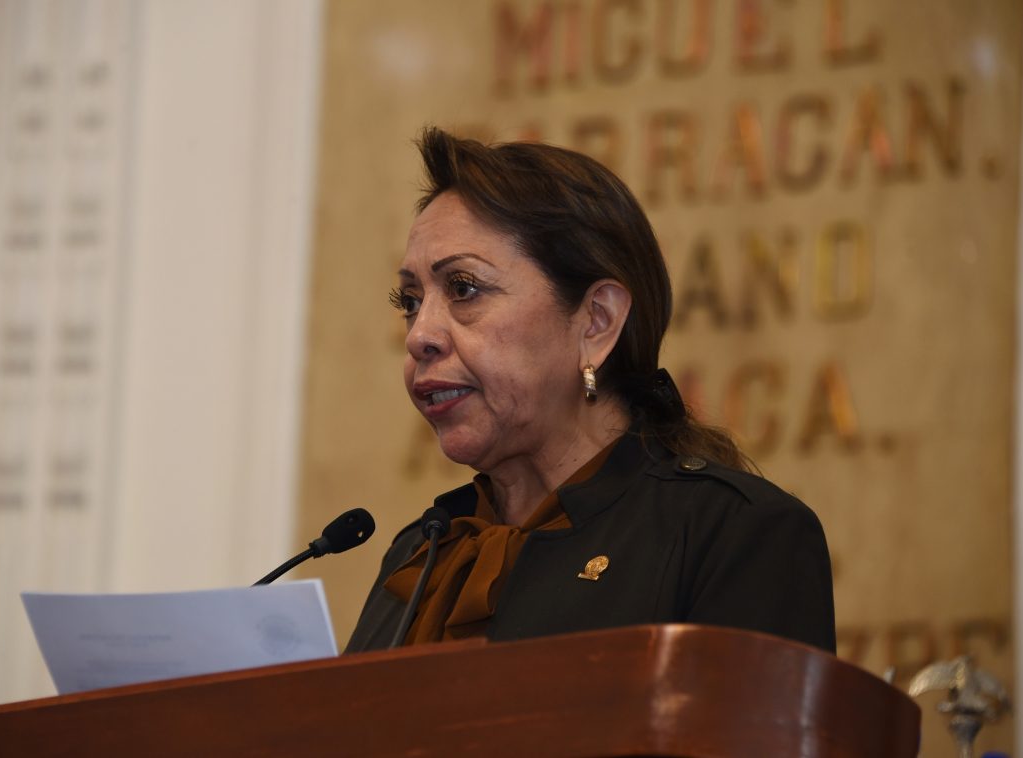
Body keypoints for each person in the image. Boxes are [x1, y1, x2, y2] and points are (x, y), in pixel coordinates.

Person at [345, 127, 835, 654]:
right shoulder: (422, 554)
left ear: (597, 321)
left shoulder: (731, 533)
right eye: (410, 301)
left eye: (464, 288)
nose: (419, 335)